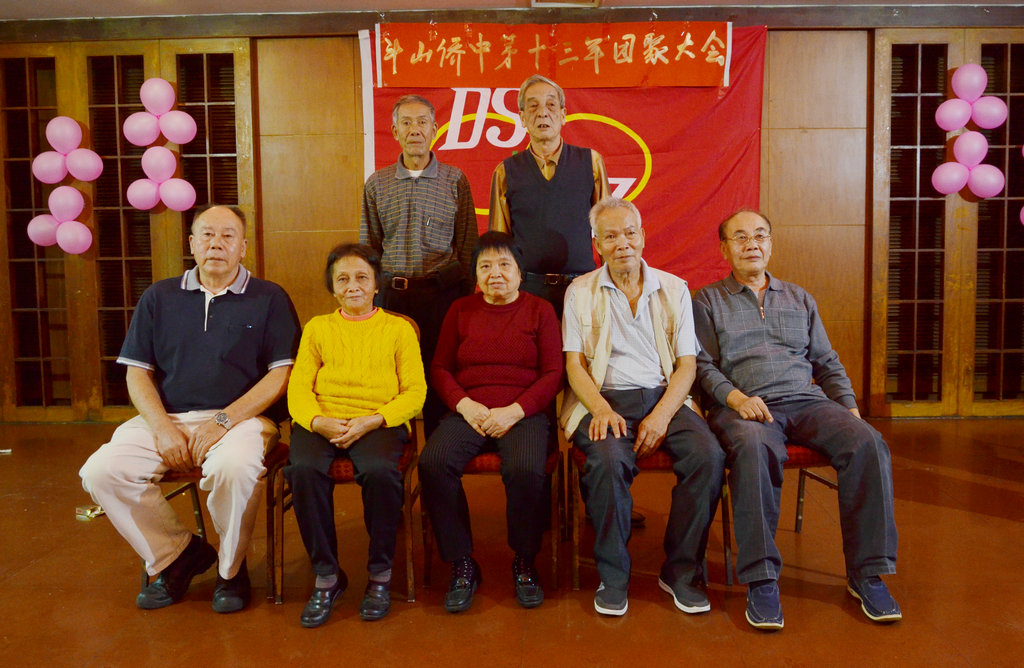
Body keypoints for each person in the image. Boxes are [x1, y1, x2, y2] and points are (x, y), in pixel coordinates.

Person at [79, 204, 300, 613]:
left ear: (243, 247)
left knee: (234, 467)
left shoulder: (269, 298)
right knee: (101, 471)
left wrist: (223, 421)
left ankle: (231, 571)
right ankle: (178, 554)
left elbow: (280, 375)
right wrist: (163, 428)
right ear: (192, 244)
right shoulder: (159, 296)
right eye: (208, 235)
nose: (217, 243)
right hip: (168, 418)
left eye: (228, 236)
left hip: (242, 419)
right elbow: (137, 373)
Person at [693, 209, 900, 631]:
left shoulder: (799, 298)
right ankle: (762, 578)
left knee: (868, 442)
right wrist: (736, 398)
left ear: (771, 244)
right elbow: (702, 365)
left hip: (806, 400)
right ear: (724, 249)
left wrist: (851, 411)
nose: (752, 244)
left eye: (760, 235)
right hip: (743, 406)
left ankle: (867, 573)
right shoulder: (707, 300)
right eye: (740, 237)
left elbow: (826, 362)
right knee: (754, 449)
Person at [561, 197, 724, 617]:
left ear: (643, 236)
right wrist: (600, 409)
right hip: (604, 398)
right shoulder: (579, 291)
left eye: (630, 233)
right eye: (610, 236)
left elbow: (687, 365)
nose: (622, 244)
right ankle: (613, 576)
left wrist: (662, 415)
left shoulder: (674, 289)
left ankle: (680, 572)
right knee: (607, 461)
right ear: (597, 244)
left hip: (666, 396)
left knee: (708, 457)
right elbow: (574, 366)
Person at [419, 231, 563, 613]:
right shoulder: (460, 310)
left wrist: (516, 410)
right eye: (485, 266)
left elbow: (553, 372)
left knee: (525, 468)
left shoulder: (540, 310)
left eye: (504, 264)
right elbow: (440, 367)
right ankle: (462, 562)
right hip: (470, 409)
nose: (495, 273)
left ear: (520, 271)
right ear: (475, 274)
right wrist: (464, 405)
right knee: (434, 462)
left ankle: (525, 560)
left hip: (522, 412)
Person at [284, 243, 426, 628]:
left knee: (380, 473)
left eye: (362, 277)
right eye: (342, 279)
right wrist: (317, 421)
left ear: (377, 284)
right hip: (323, 419)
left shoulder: (398, 329)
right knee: (302, 471)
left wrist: (374, 419)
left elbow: (415, 392)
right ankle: (327, 576)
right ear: (332, 288)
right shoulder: (317, 328)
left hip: (378, 420)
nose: (353, 286)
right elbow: (298, 388)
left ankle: (380, 574)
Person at [361, 94, 478, 434]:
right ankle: (395, 449)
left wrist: (465, 302)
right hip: (393, 299)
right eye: (407, 123)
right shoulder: (377, 184)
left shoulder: (455, 180)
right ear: (395, 131)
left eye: (422, 122)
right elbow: (369, 249)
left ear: (434, 129)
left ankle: (439, 454)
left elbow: (467, 246)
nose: (415, 130)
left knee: (441, 377)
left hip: (442, 297)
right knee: (393, 379)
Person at [489, 74, 611, 316]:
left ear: (564, 114)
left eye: (551, 105)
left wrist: (610, 285)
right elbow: (500, 244)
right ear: (522, 117)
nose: (543, 113)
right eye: (533, 106)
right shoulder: (505, 172)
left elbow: (607, 230)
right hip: (527, 291)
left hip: (583, 287)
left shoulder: (591, 162)